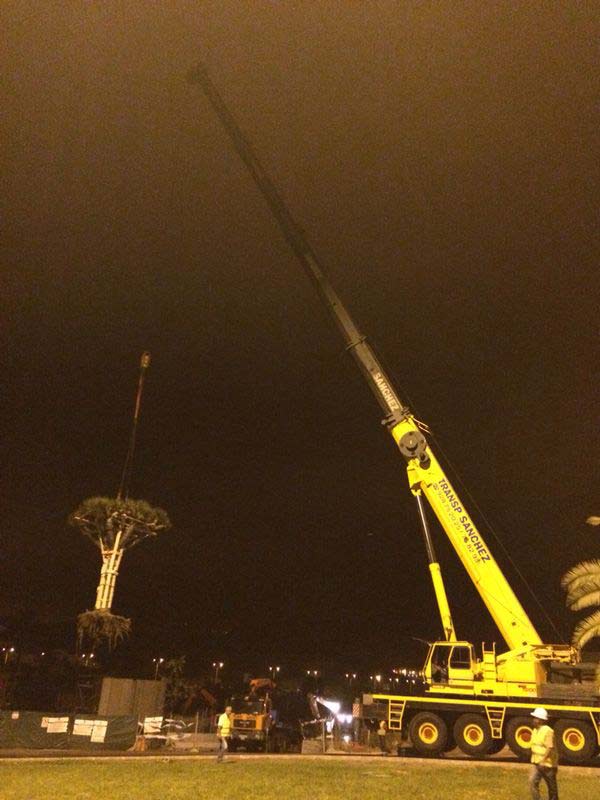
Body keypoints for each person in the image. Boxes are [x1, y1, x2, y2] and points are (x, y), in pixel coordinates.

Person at [529, 707, 558, 800]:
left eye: (535, 718)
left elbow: (550, 747)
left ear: (541, 720)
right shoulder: (535, 730)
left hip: (548, 764)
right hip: (537, 762)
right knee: (532, 782)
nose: (533, 720)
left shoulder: (548, 731)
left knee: (551, 786)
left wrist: (543, 760)